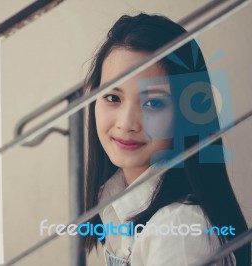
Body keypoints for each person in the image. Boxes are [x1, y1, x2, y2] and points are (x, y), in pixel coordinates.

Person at [82, 13, 251, 265]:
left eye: (153, 103)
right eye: (113, 98)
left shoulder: (178, 229)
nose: (126, 124)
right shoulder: (117, 199)